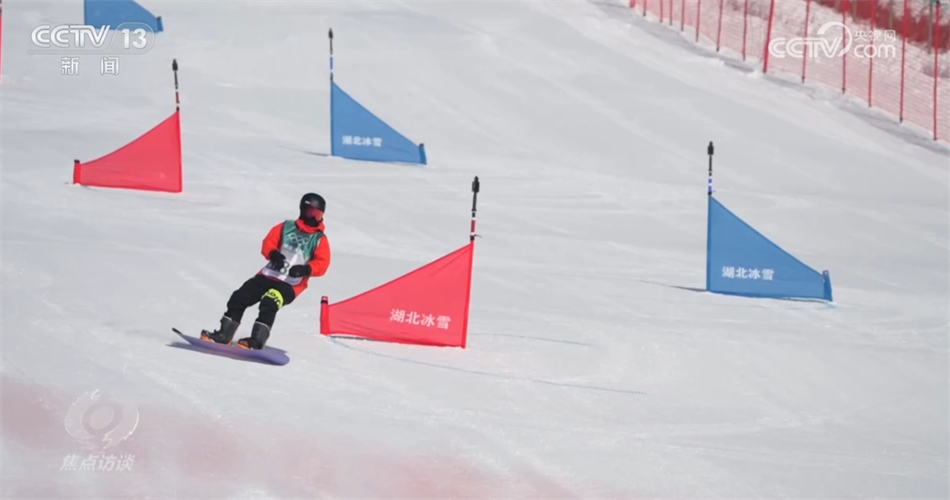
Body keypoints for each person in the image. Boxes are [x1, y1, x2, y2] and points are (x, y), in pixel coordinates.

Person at [201, 193, 331, 349]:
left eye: (317, 214)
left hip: (290, 284)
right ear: (302, 210)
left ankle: (257, 341)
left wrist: (306, 269)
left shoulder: (319, 239)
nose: (313, 217)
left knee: (269, 302)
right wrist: (273, 254)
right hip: (269, 275)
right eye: (310, 212)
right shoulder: (286, 227)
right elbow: (269, 242)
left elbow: (323, 263)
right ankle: (224, 335)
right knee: (239, 297)